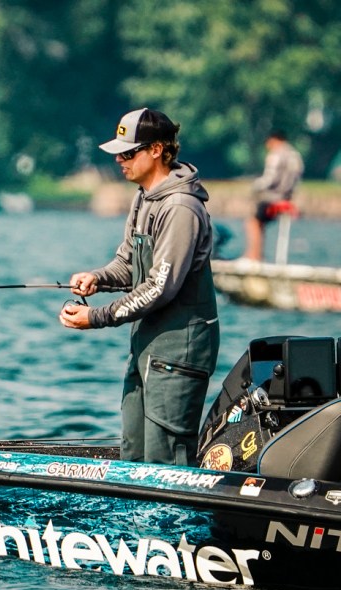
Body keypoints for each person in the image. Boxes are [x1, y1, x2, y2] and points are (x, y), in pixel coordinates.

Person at [60, 108, 219, 466]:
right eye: (118, 153)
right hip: (147, 346)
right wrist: (98, 278)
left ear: (157, 150)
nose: (120, 160)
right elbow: (128, 263)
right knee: (133, 453)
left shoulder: (181, 208)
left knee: (166, 462)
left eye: (129, 153)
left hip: (179, 353)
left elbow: (160, 287)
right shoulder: (143, 197)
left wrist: (97, 317)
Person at [241, 130, 304, 261]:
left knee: (252, 221)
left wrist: (254, 187)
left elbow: (270, 179)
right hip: (287, 198)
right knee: (260, 221)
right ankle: (258, 256)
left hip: (273, 198)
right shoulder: (295, 155)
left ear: (274, 140)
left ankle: (254, 256)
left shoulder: (276, 155)